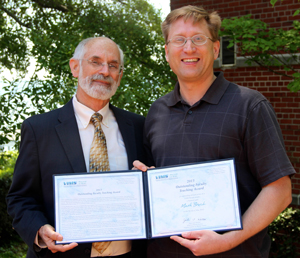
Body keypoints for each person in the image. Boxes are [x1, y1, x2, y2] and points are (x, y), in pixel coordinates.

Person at [133, 5, 295, 258]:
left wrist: (228, 241)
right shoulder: (157, 112)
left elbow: (280, 190)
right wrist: (144, 180)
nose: (189, 48)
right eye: (179, 40)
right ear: (166, 52)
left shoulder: (250, 106)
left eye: (198, 38)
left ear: (215, 48)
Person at [7, 37, 147, 258]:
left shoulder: (139, 126)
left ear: (119, 75)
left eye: (113, 65)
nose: (105, 71)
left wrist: (147, 182)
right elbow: (20, 198)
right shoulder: (39, 129)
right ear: (75, 67)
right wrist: (40, 231)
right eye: (95, 61)